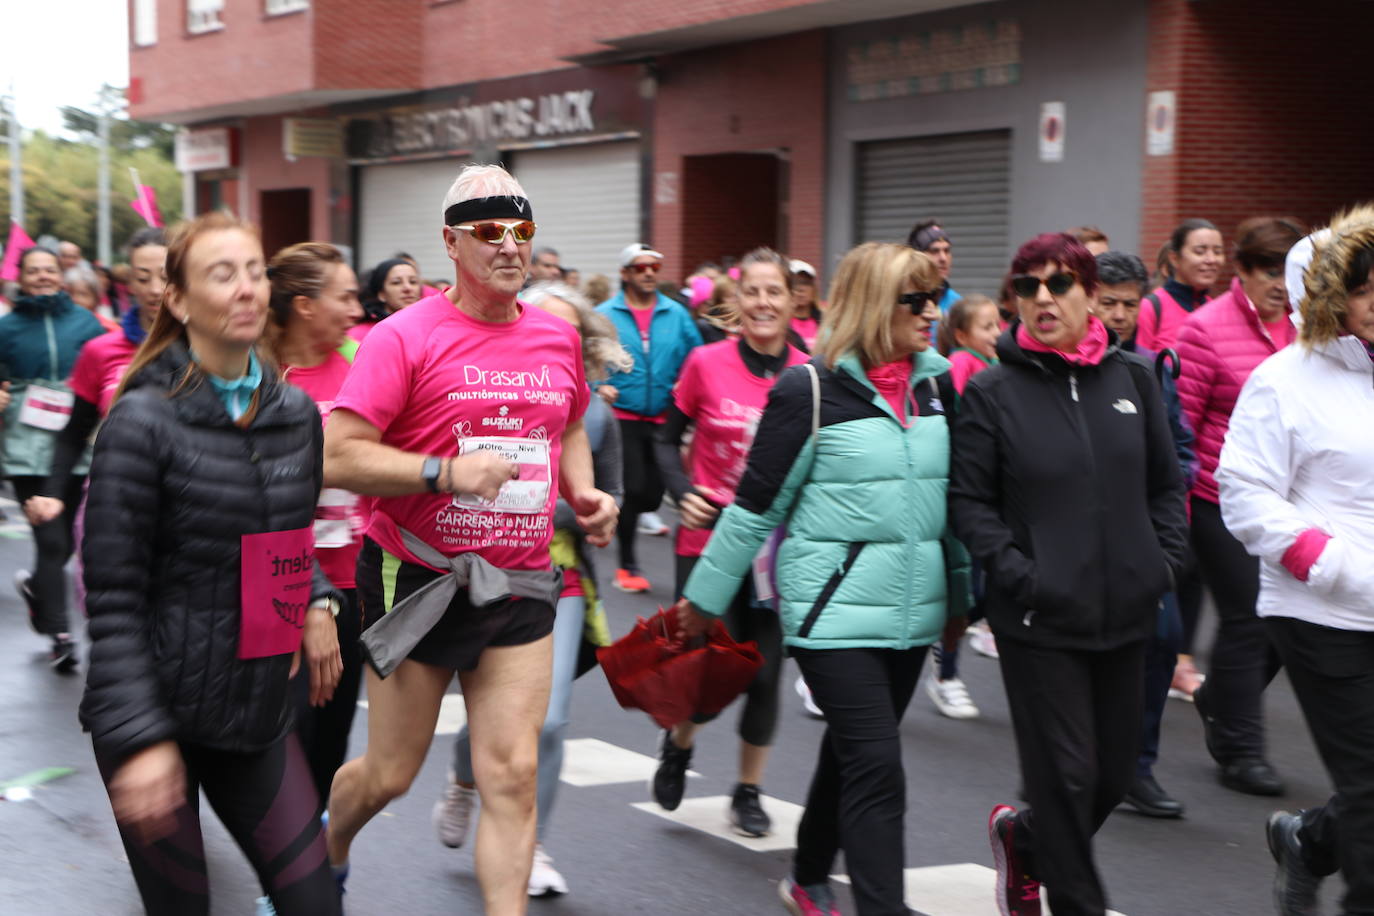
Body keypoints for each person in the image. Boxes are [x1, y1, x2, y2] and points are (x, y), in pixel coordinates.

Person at [322, 164, 617, 916]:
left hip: (519, 580)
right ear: (452, 243)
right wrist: (443, 473)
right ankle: (322, 850)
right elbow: (339, 452)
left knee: (513, 775)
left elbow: (572, 423)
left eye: (522, 231)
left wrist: (583, 490)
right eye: (491, 232)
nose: (510, 247)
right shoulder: (402, 337)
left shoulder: (554, 337)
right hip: (416, 574)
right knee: (391, 772)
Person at [676, 241, 968, 916]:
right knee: (878, 768)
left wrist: (958, 599)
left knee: (852, 754)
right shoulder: (807, 390)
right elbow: (754, 508)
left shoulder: (935, 384)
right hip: (831, 614)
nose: (934, 312)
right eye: (917, 301)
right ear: (874, 307)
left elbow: (947, 509)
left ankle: (807, 876)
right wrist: (702, 599)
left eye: (936, 297)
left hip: (910, 611)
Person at [80, 212, 344, 916]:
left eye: (254, 271)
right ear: (179, 298)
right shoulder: (140, 423)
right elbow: (111, 598)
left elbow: (281, 536)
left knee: (316, 904)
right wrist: (141, 741)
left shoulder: (296, 415)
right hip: (156, 713)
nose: (246, 289)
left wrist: (317, 599)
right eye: (222, 275)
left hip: (252, 713)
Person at [950, 233, 1188, 916]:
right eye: (1028, 287)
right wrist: (1022, 575)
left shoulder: (1135, 379)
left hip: (1127, 611)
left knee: (1111, 776)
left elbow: (1165, 486)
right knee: (1066, 777)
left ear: (1089, 294)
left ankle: (1025, 842)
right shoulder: (994, 392)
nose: (1043, 299)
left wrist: (1164, 563)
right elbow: (970, 503)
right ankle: (1074, 898)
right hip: (1039, 618)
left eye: (1058, 284)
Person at [434, 278, 628, 898]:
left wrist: (595, 510)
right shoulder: (474, 392)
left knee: (547, 724)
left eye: (564, 330)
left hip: (556, 577)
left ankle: (534, 841)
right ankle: (465, 779)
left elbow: (608, 495)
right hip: (472, 570)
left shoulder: (596, 415)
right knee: (489, 722)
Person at [1218, 208, 1374, 916]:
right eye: (1369, 290)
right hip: (1324, 612)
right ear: (1334, 295)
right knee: (1373, 788)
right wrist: (1332, 563)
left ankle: (1311, 841)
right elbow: (1244, 495)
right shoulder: (1285, 379)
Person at [647, 247, 808, 838]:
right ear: (736, 302)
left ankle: (748, 790)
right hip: (707, 539)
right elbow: (666, 440)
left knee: (763, 673)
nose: (763, 302)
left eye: (775, 292)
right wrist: (680, 489)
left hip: (776, 548)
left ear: (794, 302)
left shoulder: (811, 374)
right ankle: (681, 741)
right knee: (714, 668)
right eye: (753, 292)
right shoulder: (706, 363)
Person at [1175, 216, 1304, 797]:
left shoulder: (1310, 329)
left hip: (1290, 498)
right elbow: (1178, 428)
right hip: (1216, 497)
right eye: (1268, 271)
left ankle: (1218, 698)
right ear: (1243, 271)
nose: (1280, 283)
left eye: (1288, 271)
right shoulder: (1204, 331)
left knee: (1289, 616)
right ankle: (1239, 750)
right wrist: (1172, 520)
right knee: (1250, 614)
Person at [21, 229, 168, 649]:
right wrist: (53, 494)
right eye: (142, 278)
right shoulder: (101, 351)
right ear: (127, 283)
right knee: (114, 629)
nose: (154, 289)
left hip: (187, 505)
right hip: (113, 502)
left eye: (164, 275)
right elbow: (73, 432)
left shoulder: (210, 347)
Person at [1092, 250, 1198, 819]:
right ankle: (1068, 760)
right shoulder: (1062, 368)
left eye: (1129, 304)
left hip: (1145, 537)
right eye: (1106, 303)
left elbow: (1182, 450)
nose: (1118, 315)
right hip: (1081, 539)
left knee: (1163, 638)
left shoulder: (1152, 369)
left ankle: (1138, 767)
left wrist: (1169, 482)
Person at [265, 241, 367, 812]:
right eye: (344, 296)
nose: (356, 309)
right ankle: (283, 883)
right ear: (304, 305)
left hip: (353, 585)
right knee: (284, 739)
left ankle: (310, 872)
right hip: (277, 586)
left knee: (329, 744)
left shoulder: (361, 369)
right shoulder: (258, 377)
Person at [0, 246, 106, 669]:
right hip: (25, 446)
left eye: (49, 270)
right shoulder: (6, 328)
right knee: (51, 538)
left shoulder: (85, 323)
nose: (42, 276)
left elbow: (107, 367)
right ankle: (62, 635)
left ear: (60, 275)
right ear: (21, 278)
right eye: (34, 271)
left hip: (74, 443)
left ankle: (39, 592)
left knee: (67, 539)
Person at [596, 242, 702, 593]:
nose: (649, 273)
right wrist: (598, 385)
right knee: (633, 487)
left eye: (654, 267)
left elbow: (697, 358)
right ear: (625, 274)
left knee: (654, 496)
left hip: (663, 416)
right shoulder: (605, 314)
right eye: (640, 268)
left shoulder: (676, 314)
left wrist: (687, 388)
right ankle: (627, 565)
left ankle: (625, 514)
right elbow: (582, 354)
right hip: (621, 416)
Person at [1134, 218, 1223, 352]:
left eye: (1217, 252)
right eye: (1200, 251)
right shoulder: (1150, 308)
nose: (1211, 260)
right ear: (1174, 258)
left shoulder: (1218, 311)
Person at [348, 257, 422, 342]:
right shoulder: (359, 335)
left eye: (413, 282)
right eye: (396, 282)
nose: (407, 288)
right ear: (381, 294)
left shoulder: (429, 327)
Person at [907, 219, 959, 311]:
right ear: (917, 257)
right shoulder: (904, 300)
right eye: (934, 251)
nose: (943, 258)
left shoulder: (956, 303)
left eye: (946, 251)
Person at [64, 265, 119, 330]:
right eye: (70, 293)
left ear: (96, 300)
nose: (74, 299)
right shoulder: (56, 324)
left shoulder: (107, 328)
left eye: (83, 294)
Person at [789, 259, 823, 350]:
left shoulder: (825, 321)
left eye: (806, 283)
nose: (800, 289)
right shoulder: (780, 323)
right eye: (794, 283)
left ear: (813, 289)